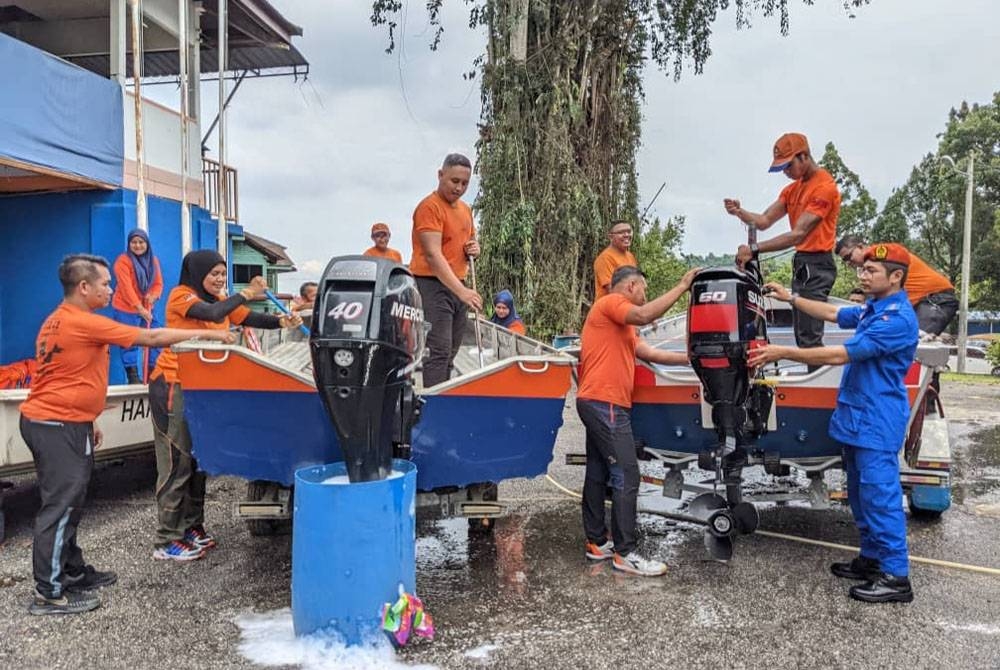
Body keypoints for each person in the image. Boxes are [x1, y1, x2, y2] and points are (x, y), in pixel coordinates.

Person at [19, 254, 235, 615]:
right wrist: (204, 332)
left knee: (71, 501)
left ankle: (72, 572)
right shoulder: (81, 322)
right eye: (105, 283)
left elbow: (63, 375)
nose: (112, 289)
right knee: (59, 506)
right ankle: (49, 591)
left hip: (65, 421)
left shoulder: (60, 321)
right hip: (55, 423)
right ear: (84, 287)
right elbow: (150, 336)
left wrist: (89, 419)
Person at [749, 243, 918, 603]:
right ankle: (871, 560)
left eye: (871, 271)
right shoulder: (874, 309)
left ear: (896, 276)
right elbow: (830, 312)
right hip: (858, 416)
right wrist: (790, 298)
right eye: (863, 270)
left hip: (876, 419)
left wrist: (784, 352)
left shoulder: (897, 319)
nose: (863, 275)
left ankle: (896, 576)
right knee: (859, 494)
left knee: (880, 496)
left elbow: (839, 354)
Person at [148, 250, 302, 561]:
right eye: (213, 274)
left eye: (222, 273)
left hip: (203, 387)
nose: (219, 279)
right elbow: (215, 314)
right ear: (197, 273)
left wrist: (283, 321)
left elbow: (251, 317)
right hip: (173, 384)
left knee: (197, 461)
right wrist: (246, 293)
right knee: (176, 463)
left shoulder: (221, 299)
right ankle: (166, 540)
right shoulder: (182, 296)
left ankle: (192, 528)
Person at [578, 265, 700, 577]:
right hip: (604, 402)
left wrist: (690, 359)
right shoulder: (611, 304)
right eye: (643, 289)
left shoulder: (620, 322)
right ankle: (625, 552)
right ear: (631, 286)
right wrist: (683, 285)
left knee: (598, 471)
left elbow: (646, 351)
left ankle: (597, 543)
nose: (643, 296)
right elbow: (645, 315)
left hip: (598, 401)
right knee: (626, 474)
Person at [725, 132, 841, 352]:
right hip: (801, 264)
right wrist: (740, 212)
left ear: (804, 156)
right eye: (782, 168)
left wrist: (754, 249)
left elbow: (798, 234)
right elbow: (764, 220)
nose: (786, 173)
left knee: (809, 336)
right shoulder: (792, 190)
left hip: (817, 266)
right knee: (802, 334)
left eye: (788, 166)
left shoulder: (824, 187)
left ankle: (816, 383)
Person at [410, 153, 482, 387]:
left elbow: (468, 243)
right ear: (441, 175)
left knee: (451, 349)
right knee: (438, 349)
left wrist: (474, 248)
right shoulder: (429, 207)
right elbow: (433, 255)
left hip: (458, 283)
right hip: (431, 285)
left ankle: (445, 396)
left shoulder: (466, 210)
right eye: (454, 181)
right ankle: (433, 406)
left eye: (464, 183)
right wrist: (463, 292)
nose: (459, 188)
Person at [836, 235, 957, 335]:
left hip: (935, 299)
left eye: (848, 256)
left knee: (916, 343)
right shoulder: (874, 266)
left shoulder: (882, 256)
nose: (848, 263)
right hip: (916, 303)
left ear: (860, 247)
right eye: (844, 261)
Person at [112, 228, 163, 383]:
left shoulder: (153, 261)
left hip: (147, 307)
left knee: (156, 336)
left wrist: (154, 296)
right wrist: (139, 309)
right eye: (134, 242)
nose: (138, 245)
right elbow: (126, 288)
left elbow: (158, 283)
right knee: (130, 340)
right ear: (129, 244)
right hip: (125, 308)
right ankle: (133, 377)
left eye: (141, 242)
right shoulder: (123, 261)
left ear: (147, 244)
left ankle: (152, 373)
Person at [593, 221, 638, 300]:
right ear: (611, 237)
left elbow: (637, 283)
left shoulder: (630, 256)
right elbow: (612, 290)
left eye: (629, 231)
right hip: (609, 308)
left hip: (628, 306)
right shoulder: (604, 258)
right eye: (621, 232)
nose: (626, 235)